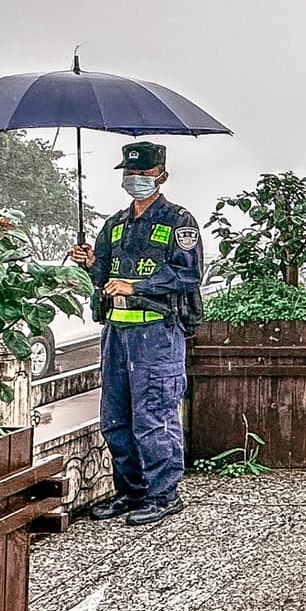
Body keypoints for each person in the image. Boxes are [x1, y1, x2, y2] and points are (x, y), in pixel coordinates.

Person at [65, 140, 204, 526]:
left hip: (157, 334)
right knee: (115, 417)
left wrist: (135, 286)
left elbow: (188, 274)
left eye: (144, 173)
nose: (136, 179)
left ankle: (162, 494)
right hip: (116, 333)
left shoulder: (178, 221)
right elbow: (101, 277)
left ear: (161, 175)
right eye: (131, 173)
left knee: (154, 415)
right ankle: (129, 492)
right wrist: (90, 263)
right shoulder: (114, 225)